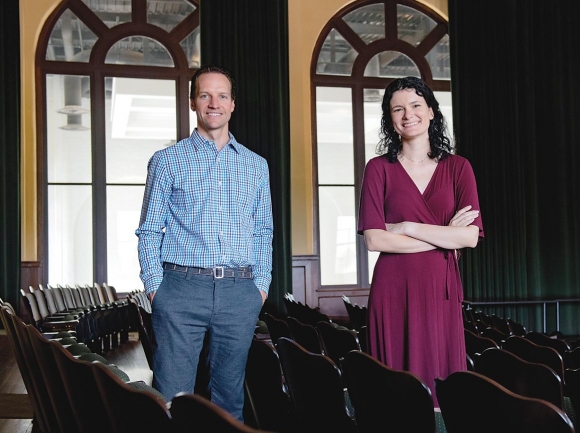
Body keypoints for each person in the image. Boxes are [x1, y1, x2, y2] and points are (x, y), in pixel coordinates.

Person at [135, 65, 273, 421]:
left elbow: (263, 232)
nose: (214, 103)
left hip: (239, 291)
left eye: (222, 96)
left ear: (232, 104)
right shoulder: (167, 161)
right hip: (180, 289)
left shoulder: (257, 167)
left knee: (230, 401)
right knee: (172, 399)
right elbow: (149, 230)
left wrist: (260, 286)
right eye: (205, 95)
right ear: (193, 102)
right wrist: (156, 289)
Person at [357, 76, 483, 405]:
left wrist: (406, 226)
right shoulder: (377, 169)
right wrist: (445, 237)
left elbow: (469, 237)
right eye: (397, 109)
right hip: (392, 289)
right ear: (390, 119)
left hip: (440, 289)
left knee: (443, 389)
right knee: (395, 391)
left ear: (430, 111)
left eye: (415, 105)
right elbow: (374, 240)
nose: (407, 114)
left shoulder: (459, 168)